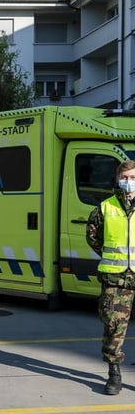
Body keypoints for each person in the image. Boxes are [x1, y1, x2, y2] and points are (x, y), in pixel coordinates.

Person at [86, 159, 135, 395]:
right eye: (124, 178)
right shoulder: (105, 208)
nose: (128, 182)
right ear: (117, 179)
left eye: (133, 178)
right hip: (115, 280)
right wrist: (111, 255)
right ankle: (114, 374)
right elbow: (93, 237)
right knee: (114, 328)